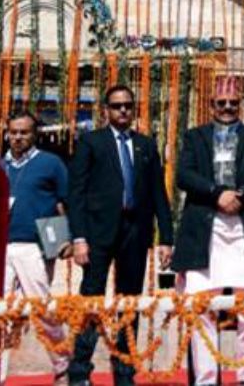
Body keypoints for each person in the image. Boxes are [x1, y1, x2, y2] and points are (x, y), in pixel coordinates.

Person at [172, 76, 244, 386]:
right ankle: (206, 379)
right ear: (211, 105)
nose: (228, 108)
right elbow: (184, 175)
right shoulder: (194, 137)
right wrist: (217, 193)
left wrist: (240, 194)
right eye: (222, 103)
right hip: (205, 226)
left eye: (233, 103)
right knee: (202, 304)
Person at [67, 85, 174, 386]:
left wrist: (166, 237)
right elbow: (76, 194)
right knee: (91, 299)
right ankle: (80, 371)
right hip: (97, 234)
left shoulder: (145, 145)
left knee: (130, 302)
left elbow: (158, 194)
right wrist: (78, 238)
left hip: (135, 233)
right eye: (116, 106)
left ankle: (124, 369)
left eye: (128, 105)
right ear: (106, 111)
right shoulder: (91, 143)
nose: (123, 110)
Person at [1, 111, 70, 384]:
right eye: (14, 132)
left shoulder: (51, 163)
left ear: (34, 134)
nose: (18, 137)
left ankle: (63, 365)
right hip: (2, 247)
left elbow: (64, 202)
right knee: (2, 313)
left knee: (42, 311)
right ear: (7, 133)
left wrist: (65, 239)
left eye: (24, 132)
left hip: (35, 247)